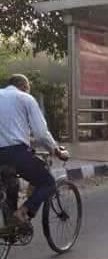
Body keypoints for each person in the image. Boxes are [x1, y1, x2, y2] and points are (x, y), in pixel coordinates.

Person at [0, 74, 69, 224]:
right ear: (25, 87)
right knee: (48, 182)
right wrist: (57, 150)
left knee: (11, 183)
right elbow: (41, 133)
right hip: (15, 153)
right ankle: (22, 213)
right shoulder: (25, 98)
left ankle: (10, 226)